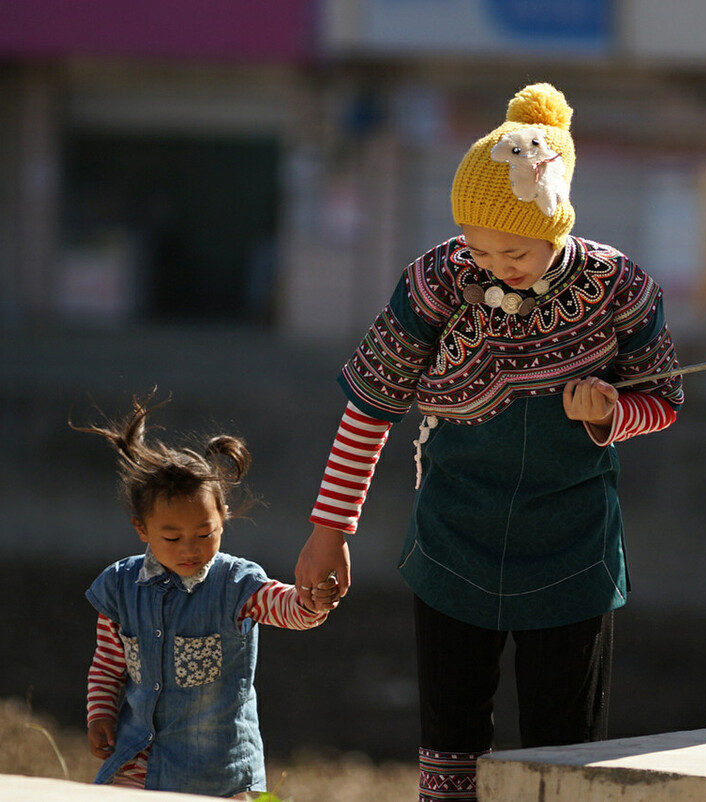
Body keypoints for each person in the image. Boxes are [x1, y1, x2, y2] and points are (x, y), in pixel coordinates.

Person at [293, 83, 685, 801]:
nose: (493, 263)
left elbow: (664, 399)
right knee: (450, 750)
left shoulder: (620, 287)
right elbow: (371, 407)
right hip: (454, 537)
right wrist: (329, 533)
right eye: (477, 244)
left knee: (566, 758)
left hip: (574, 546)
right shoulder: (437, 282)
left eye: (514, 249)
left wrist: (609, 413)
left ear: (558, 224)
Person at [77, 393, 339, 798]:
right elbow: (108, 667)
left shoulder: (236, 583)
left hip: (218, 772)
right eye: (171, 537)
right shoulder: (119, 587)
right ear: (141, 529)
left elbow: (286, 607)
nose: (189, 549)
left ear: (223, 520)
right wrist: (101, 716)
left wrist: (313, 600)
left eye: (204, 534)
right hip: (137, 762)